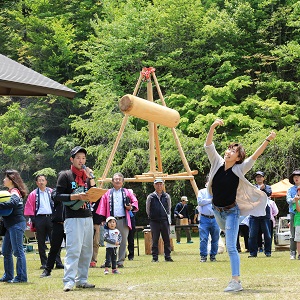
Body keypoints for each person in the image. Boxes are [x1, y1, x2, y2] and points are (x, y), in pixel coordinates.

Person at [204, 118, 275, 292]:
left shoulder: (239, 169)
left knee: (230, 245)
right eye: (229, 149)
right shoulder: (217, 163)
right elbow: (208, 145)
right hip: (216, 211)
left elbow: (255, 156)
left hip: (231, 212)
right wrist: (212, 127)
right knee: (226, 233)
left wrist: (267, 139)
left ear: (238, 158)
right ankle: (238, 221)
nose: (229, 152)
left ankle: (236, 281)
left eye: (233, 151)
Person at [53, 146, 96, 292]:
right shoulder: (65, 175)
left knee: (86, 250)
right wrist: (75, 196)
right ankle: (69, 281)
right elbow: (57, 195)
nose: (81, 161)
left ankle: (82, 280)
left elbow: (93, 191)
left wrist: (91, 177)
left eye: (83, 158)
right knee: (73, 249)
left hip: (87, 217)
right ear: (72, 159)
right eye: (78, 158)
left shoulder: (86, 176)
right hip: (72, 217)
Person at [96, 172, 138, 268]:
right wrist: (103, 219)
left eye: (119, 179)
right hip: (111, 220)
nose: (118, 180)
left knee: (123, 241)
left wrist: (130, 207)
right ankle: (109, 261)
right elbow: (102, 206)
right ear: (112, 181)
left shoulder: (127, 192)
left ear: (123, 181)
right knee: (110, 241)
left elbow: (134, 201)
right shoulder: (107, 193)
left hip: (123, 219)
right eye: (116, 179)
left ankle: (120, 261)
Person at [24, 174, 63, 269]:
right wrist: (34, 220)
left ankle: (57, 262)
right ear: (36, 183)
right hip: (40, 218)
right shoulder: (33, 194)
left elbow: (58, 203)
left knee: (55, 241)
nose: (41, 182)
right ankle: (44, 263)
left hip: (51, 218)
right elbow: (29, 208)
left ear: (46, 182)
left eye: (43, 180)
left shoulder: (51, 192)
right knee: (41, 242)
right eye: (39, 180)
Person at [0, 169, 28, 283]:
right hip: (9, 225)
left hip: (16, 224)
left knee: (18, 251)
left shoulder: (15, 192)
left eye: (6, 178)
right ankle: (8, 275)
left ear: (11, 180)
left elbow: (13, 203)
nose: (3, 180)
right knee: (6, 251)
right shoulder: (10, 191)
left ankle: (21, 277)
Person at [146, 178, 173, 262]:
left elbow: (169, 208)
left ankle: (167, 256)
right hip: (154, 221)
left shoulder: (166, 196)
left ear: (163, 185)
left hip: (164, 220)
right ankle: (155, 257)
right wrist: (151, 217)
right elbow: (147, 209)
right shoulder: (151, 196)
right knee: (155, 239)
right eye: (157, 184)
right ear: (154, 185)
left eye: (160, 184)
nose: (159, 186)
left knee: (166, 239)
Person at [248, 171, 272, 258]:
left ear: (263, 178)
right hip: (254, 213)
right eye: (257, 177)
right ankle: (253, 253)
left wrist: (263, 189)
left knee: (267, 235)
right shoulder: (252, 187)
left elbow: (269, 193)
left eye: (260, 177)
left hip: (265, 213)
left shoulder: (268, 187)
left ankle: (268, 252)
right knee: (252, 235)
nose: (259, 178)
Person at [40, 197, 66, 278]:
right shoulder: (56, 192)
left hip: (70, 223)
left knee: (73, 248)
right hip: (57, 223)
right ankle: (47, 270)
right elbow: (55, 197)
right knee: (54, 248)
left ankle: (75, 270)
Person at [197, 182, 220, 262]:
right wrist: (211, 200)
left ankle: (213, 256)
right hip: (204, 218)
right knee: (203, 238)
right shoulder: (202, 192)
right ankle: (203, 256)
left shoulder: (218, 192)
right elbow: (200, 202)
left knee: (215, 239)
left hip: (215, 218)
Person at [286, 170, 300, 259]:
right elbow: (288, 200)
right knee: (293, 233)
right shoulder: (290, 190)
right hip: (293, 213)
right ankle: (293, 253)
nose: (296, 178)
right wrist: (294, 200)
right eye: (294, 177)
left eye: (298, 176)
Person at [89, 198, 102, 268]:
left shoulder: (98, 197)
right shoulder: (83, 192)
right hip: (85, 220)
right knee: (86, 243)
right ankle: (87, 260)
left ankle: (93, 260)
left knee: (96, 242)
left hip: (96, 222)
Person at [127, 189, 137, 260]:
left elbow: (134, 211)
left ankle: (131, 255)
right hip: (124, 222)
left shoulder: (134, 203)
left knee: (131, 240)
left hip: (131, 222)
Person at [292, 187, 300, 259]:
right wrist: (297, 201)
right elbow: (298, 209)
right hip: (298, 222)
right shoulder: (296, 201)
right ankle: (299, 254)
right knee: (298, 239)